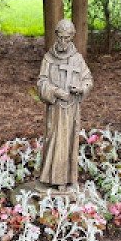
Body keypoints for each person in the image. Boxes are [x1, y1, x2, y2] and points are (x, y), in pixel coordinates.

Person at [37, 19, 93, 188]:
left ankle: (67, 179)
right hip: (55, 109)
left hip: (72, 109)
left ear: (72, 38)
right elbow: (41, 82)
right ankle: (52, 178)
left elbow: (88, 79)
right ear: (56, 36)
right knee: (54, 140)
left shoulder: (77, 59)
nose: (63, 42)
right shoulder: (48, 58)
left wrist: (82, 88)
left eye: (67, 38)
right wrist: (55, 91)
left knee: (68, 142)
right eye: (60, 37)